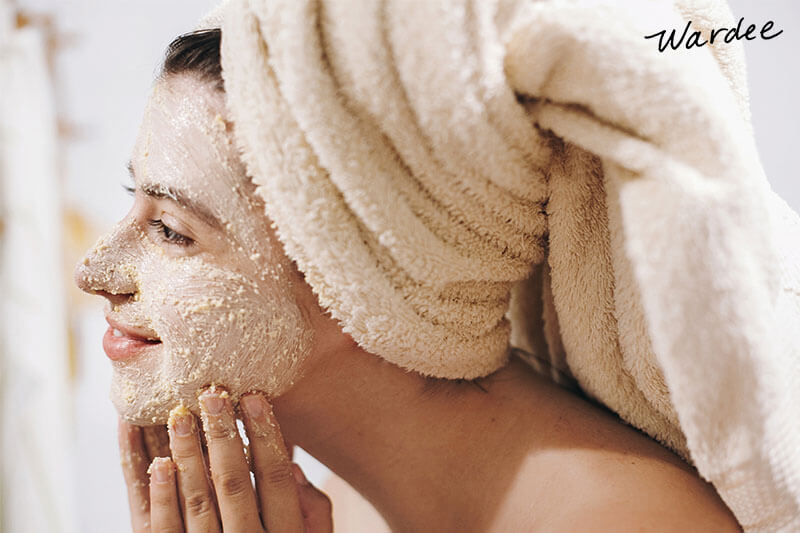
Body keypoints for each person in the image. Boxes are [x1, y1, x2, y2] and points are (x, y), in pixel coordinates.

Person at [74, 28, 742, 532]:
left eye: (171, 229)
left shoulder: (621, 520)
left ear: (364, 279)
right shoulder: (341, 507)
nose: (92, 272)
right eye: (133, 197)